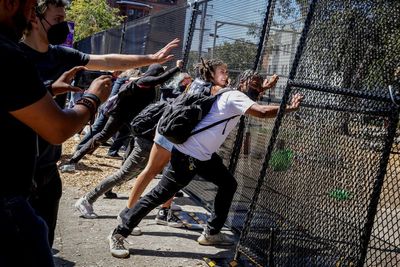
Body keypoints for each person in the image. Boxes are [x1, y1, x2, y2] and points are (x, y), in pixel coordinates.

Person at [19, 0, 179, 248]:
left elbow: (106, 60)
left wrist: (151, 58)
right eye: (59, 20)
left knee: (43, 244)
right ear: (33, 18)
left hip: (47, 167)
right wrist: (90, 99)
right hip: (15, 172)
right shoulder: (14, 57)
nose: (65, 26)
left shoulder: (62, 55)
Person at [107, 58, 303, 258]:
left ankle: (211, 233)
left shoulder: (226, 93)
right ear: (239, 83)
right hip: (188, 156)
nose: (227, 74)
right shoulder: (233, 95)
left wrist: (262, 88)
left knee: (228, 184)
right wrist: (289, 108)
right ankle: (119, 233)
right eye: (223, 71)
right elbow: (261, 111)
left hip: (203, 156)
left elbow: (250, 97)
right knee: (158, 195)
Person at [0, 1, 113, 265]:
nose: (30, 17)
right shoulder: (8, 54)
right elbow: (58, 129)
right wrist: (92, 99)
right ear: (10, 3)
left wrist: (48, 90)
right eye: (29, 8)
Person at [74, 71, 193, 231]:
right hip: (146, 140)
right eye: (187, 80)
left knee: (132, 174)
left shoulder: (171, 92)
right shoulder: (172, 92)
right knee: (124, 174)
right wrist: (176, 71)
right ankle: (87, 200)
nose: (189, 82)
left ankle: (163, 207)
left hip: (150, 139)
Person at [62, 61, 182, 172]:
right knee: (103, 135)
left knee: (134, 139)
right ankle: (75, 158)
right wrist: (177, 68)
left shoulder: (148, 83)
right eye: (159, 73)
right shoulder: (144, 81)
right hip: (119, 115)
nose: (159, 76)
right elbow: (160, 79)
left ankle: (124, 169)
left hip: (131, 118)